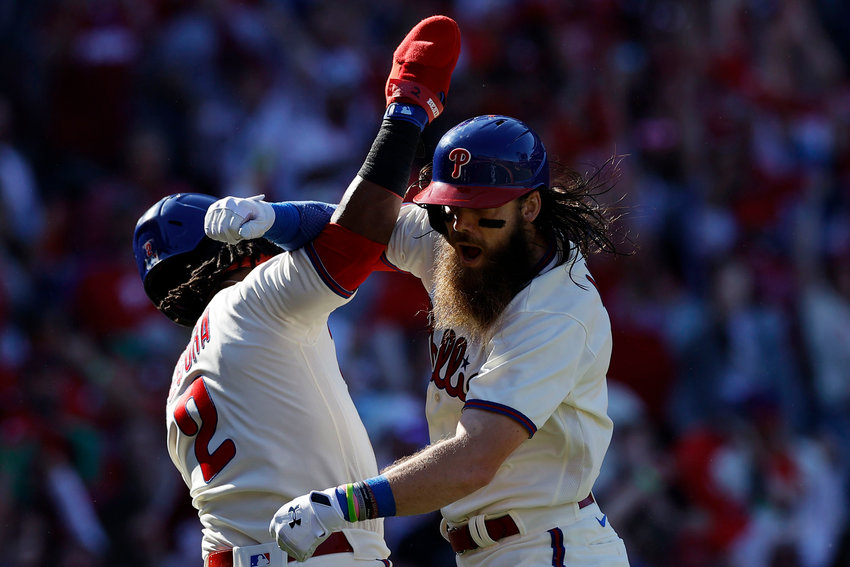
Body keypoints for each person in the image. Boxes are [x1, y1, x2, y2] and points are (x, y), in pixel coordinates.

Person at [223, 115, 631, 566]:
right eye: (452, 209)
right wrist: (273, 217)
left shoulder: (557, 310)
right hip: (494, 548)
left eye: (483, 212)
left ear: (530, 207)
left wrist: (341, 506)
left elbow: (474, 457)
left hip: (549, 544)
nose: (463, 226)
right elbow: (358, 232)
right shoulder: (458, 240)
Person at [131, 15, 461, 566]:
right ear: (226, 247)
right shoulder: (254, 302)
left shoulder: (178, 389)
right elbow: (355, 240)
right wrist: (407, 109)